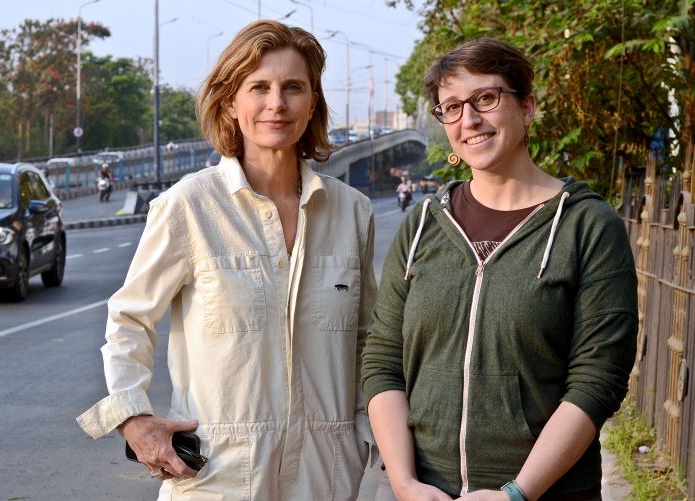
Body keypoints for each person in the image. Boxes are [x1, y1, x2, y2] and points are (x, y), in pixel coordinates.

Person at [77, 19, 377, 500]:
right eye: (259, 87)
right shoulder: (189, 207)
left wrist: (364, 433)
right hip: (218, 476)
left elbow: (368, 341)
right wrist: (133, 419)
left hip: (326, 475)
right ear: (231, 103)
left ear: (312, 103)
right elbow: (130, 320)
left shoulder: (351, 212)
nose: (276, 103)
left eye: (293, 87)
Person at [361, 38, 637, 501]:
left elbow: (598, 378)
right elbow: (383, 360)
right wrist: (405, 483)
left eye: (485, 98)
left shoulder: (587, 226)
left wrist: (517, 493)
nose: (468, 119)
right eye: (451, 107)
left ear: (527, 107)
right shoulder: (423, 224)